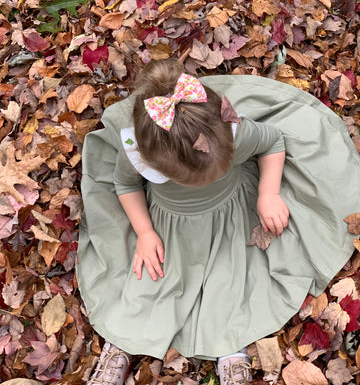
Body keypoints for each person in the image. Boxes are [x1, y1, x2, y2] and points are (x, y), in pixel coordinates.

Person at [77, 59, 360, 385]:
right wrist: (143, 231)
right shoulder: (141, 151)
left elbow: (273, 142)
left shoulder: (233, 133)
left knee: (236, 279)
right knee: (146, 277)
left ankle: (231, 348)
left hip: (231, 216)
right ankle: (122, 343)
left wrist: (267, 194)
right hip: (171, 226)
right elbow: (126, 186)